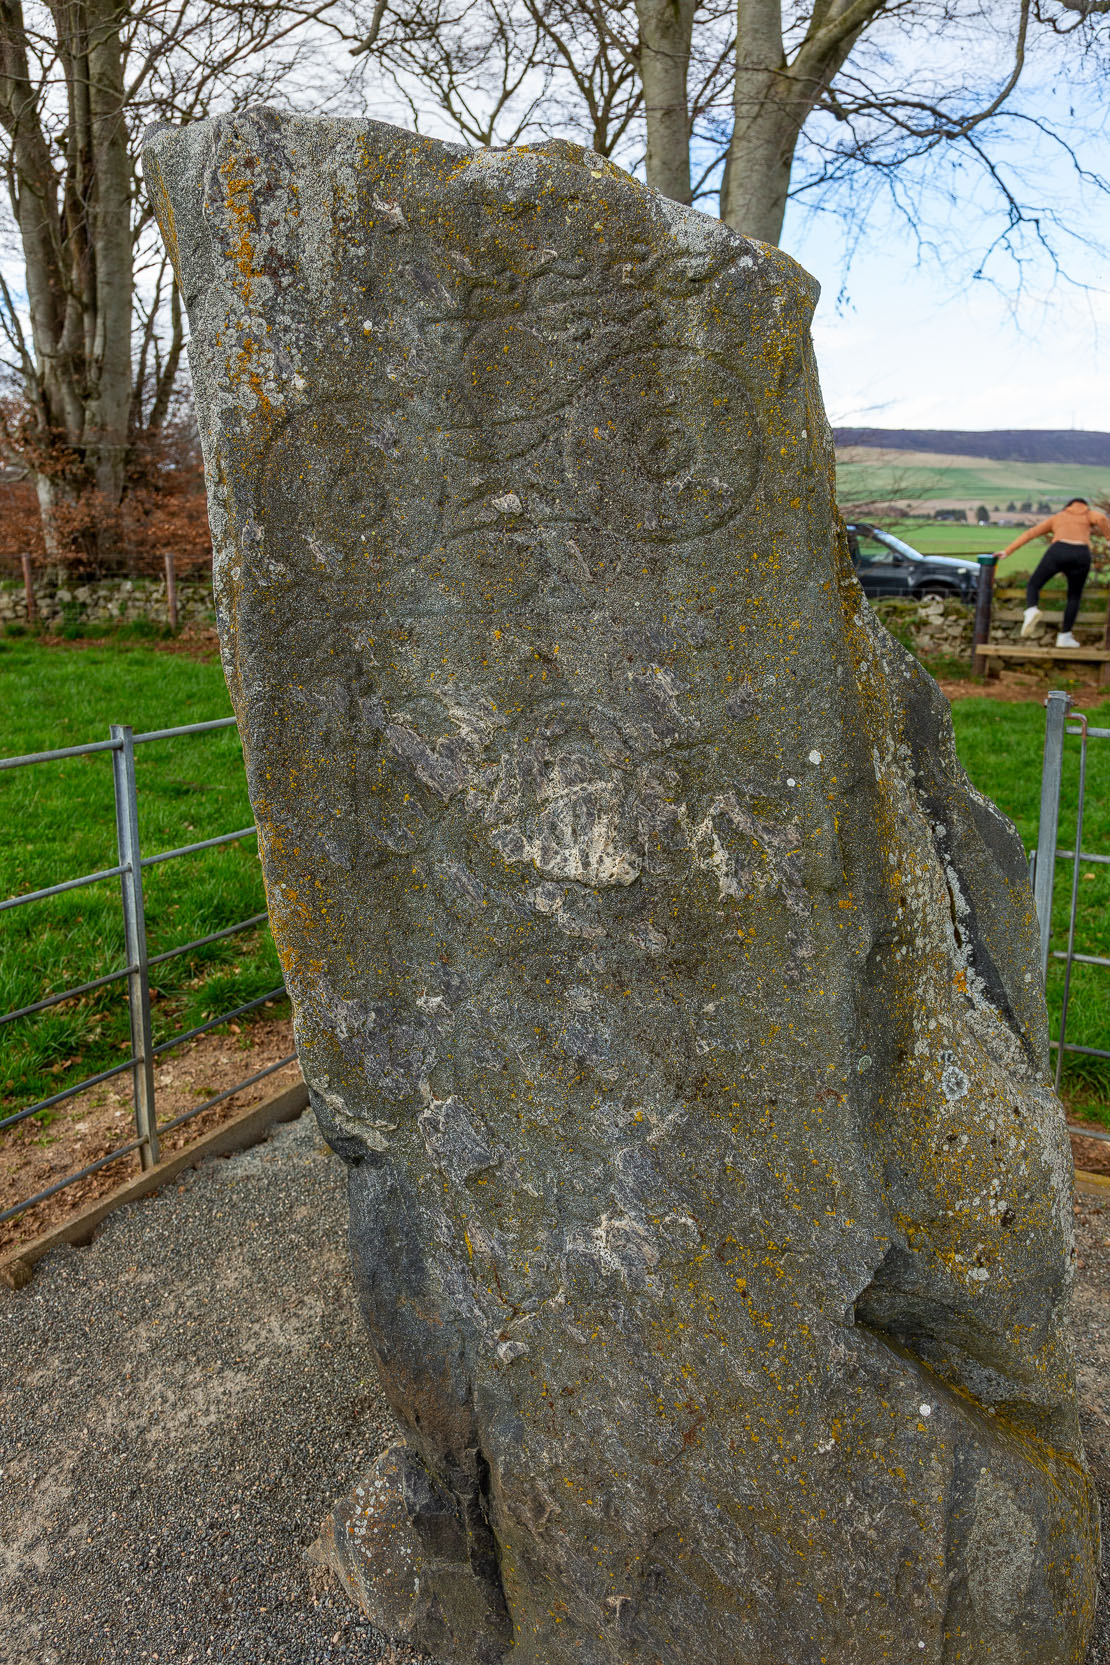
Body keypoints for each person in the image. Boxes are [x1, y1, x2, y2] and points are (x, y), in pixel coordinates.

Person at [999, 497, 1109, 648]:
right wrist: (1109, 538)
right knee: (1074, 596)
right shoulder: (1088, 514)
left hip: (1058, 552)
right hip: (1081, 554)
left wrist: (1007, 551)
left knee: (1033, 584)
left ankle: (1031, 609)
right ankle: (1064, 636)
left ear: (1067, 507)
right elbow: (1102, 518)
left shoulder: (1058, 517)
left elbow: (1030, 533)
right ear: (1084, 506)